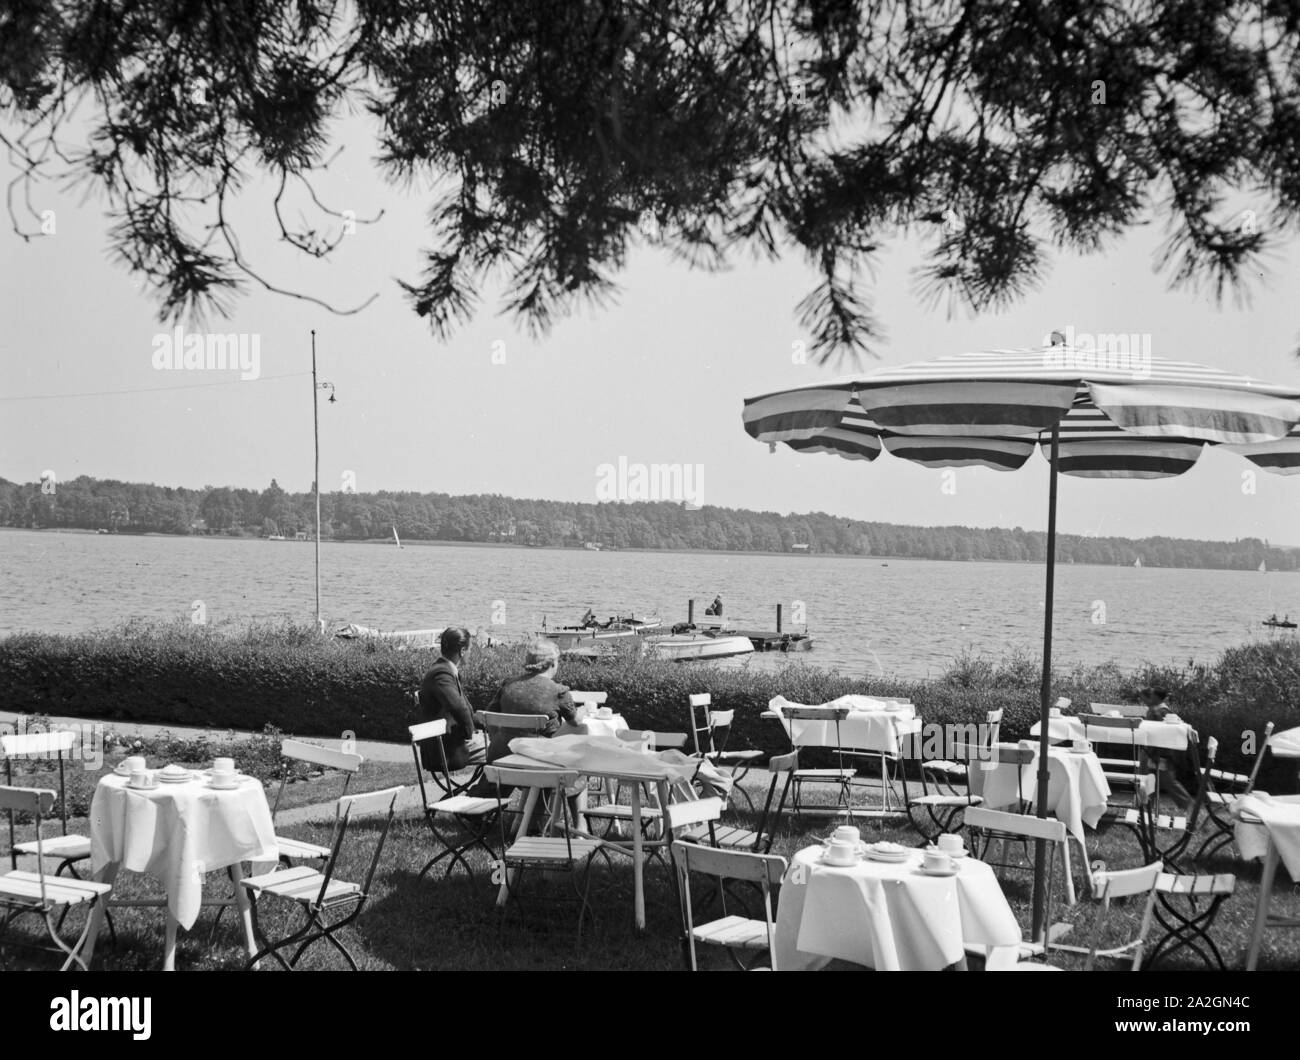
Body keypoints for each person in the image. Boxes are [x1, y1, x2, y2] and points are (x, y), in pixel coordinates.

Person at [484, 639, 579, 761]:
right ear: (553, 664)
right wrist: (583, 713)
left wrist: (495, 737)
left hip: (500, 757)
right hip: (540, 759)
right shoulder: (558, 691)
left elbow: (489, 716)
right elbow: (575, 723)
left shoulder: (508, 685)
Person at [416, 626, 486, 776]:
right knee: (502, 750)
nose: (471, 653)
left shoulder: (442, 670)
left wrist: (485, 725)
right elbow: (459, 707)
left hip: (445, 743)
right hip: (446, 750)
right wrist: (470, 733)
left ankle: (483, 792)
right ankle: (484, 793)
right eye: (470, 649)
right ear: (462, 651)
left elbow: (463, 709)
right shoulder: (442, 674)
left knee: (498, 745)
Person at [1137, 686, 1194, 809]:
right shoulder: (1161, 709)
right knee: (1156, 780)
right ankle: (1146, 805)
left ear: (1156, 697)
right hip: (1156, 751)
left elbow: (1159, 734)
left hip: (1155, 752)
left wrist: (1157, 754)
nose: (1148, 698)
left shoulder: (1158, 712)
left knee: (1160, 780)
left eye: (1150, 695)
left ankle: (1185, 803)